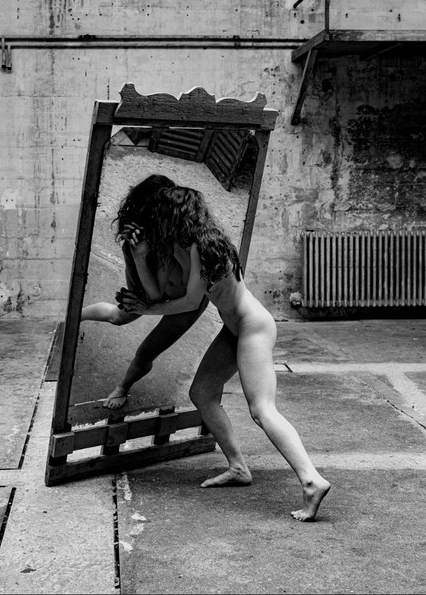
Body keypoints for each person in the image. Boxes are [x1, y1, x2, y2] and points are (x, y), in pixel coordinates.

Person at [117, 185, 331, 522]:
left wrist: (145, 309)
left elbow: (190, 302)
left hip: (253, 327)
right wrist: (138, 254)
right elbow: (168, 290)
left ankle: (311, 480)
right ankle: (238, 467)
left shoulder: (199, 248)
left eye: (158, 217)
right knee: (202, 392)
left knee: (262, 410)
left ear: (172, 217)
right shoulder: (189, 244)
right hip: (235, 329)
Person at [80, 175, 208, 409]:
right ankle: (74, 316)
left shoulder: (181, 238)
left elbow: (172, 299)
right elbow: (146, 293)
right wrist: (134, 253)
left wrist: (147, 305)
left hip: (187, 302)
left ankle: (123, 387)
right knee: (118, 317)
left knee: (145, 353)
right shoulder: (145, 235)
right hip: (158, 289)